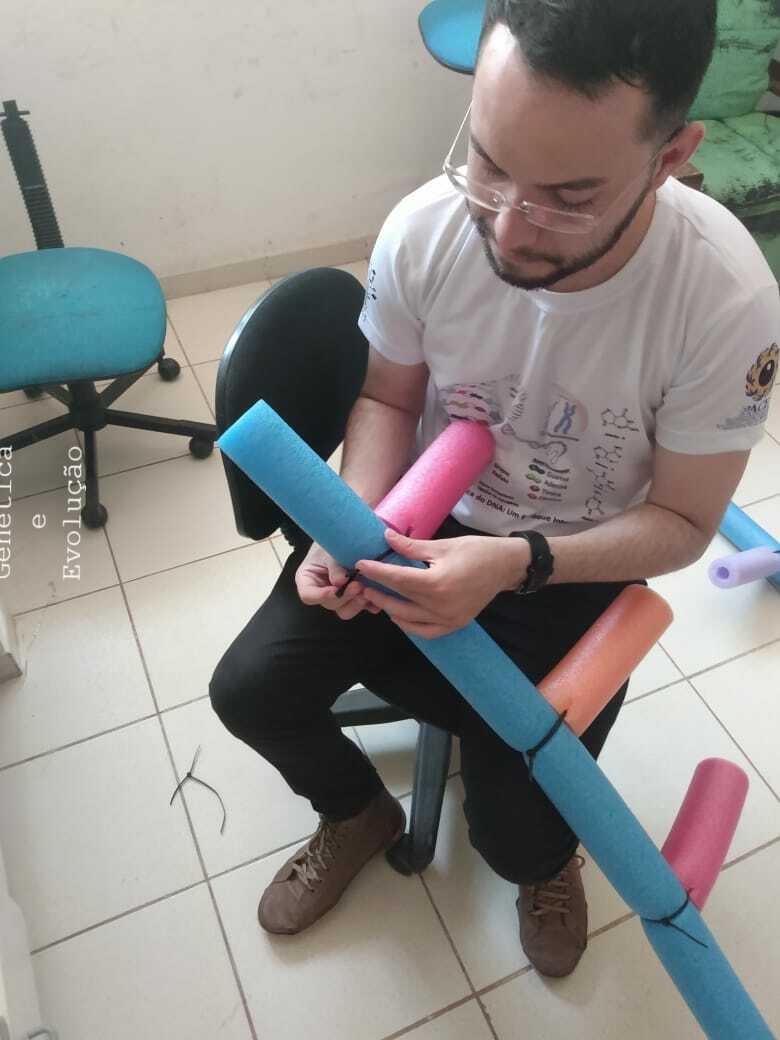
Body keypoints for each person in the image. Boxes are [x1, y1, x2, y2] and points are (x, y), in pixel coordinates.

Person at [209, 0, 779, 978]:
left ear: (671, 156)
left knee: (518, 831)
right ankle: (355, 810)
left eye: (570, 195)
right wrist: (358, 522)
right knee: (250, 690)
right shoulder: (427, 228)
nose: (508, 227)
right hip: (415, 522)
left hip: (565, 564)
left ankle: (542, 865)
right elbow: (388, 397)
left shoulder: (725, 301)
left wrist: (516, 563)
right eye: (488, 161)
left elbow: (685, 522)